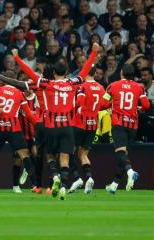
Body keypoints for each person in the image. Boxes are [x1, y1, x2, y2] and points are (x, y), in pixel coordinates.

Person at [0, 43, 99, 199]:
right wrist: (93, 53)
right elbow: (85, 70)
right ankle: (63, 186)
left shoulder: (45, 84)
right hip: (67, 126)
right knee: (64, 158)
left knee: (49, 156)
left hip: (49, 126)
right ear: (66, 72)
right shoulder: (73, 83)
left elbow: (26, 75)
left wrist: (16, 58)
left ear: (52, 72)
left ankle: (53, 177)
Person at [0, 73, 36, 194]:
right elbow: (29, 115)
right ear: (14, 81)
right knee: (24, 156)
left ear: (3, 81)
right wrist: (39, 127)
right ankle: (35, 185)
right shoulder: (20, 94)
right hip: (14, 129)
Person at [102, 64, 150, 194]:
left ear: (122, 73)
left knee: (120, 153)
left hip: (119, 123)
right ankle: (114, 185)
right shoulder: (140, 87)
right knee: (124, 155)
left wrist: (112, 104)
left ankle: (130, 171)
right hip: (132, 125)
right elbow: (146, 105)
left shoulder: (113, 86)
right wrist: (138, 108)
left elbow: (103, 104)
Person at [68, 66, 106, 194]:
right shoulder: (101, 88)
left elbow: (79, 101)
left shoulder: (82, 86)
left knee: (69, 152)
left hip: (79, 123)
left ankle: (77, 178)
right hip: (93, 124)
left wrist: (71, 108)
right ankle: (89, 177)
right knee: (83, 154)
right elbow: (104, 105)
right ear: (95, 73)